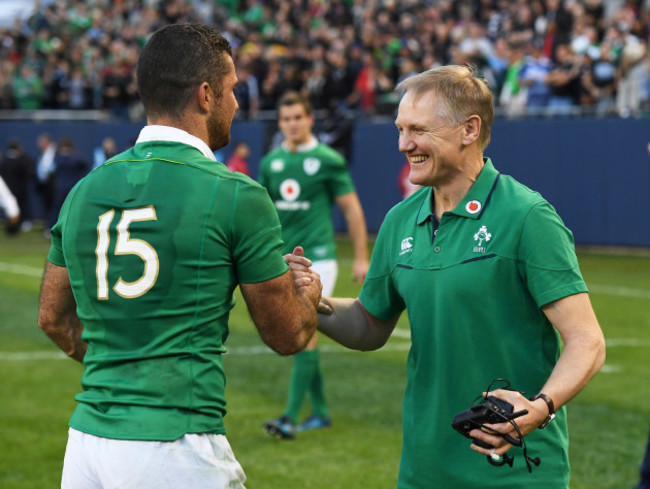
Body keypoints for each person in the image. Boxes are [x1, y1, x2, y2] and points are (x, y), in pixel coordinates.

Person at [37, 23, 322, 489]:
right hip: (176, 445)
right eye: (231, 90)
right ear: (205, 95)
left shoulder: (83, 191)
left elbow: (51, 317)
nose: (236, 103)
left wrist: (124, 375)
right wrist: (309, 292)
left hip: (87, 443)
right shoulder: (236, 194)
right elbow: (288, 334)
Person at [309, 65, 606, 488]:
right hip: (422, 472)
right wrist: (312, 302)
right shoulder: (398, 221)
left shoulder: (527, 217)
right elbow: (369, 324)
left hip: (516, 475)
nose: (403, 144)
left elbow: (587, 341)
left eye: (418, 130)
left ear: (469, 129)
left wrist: (540, 408)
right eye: (400, 129)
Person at [259, 91, 369, 439]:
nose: (292, 124)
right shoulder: (270, 163)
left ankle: (290, 418)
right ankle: (319, 412)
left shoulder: (327, 160)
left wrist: (362, 256)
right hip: (283, 261)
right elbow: (261, 214)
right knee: (307, 334)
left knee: (301, 333)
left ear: (309, 120)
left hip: (319, 259)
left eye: (297, 118)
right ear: (280, 123)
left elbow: (351, 208)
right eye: (286, 119)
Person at [0, 139, 35, 235]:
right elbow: (29, 173)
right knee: (16, 207)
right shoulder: (22, 160)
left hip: (8, 188)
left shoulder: (5, 161)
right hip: (19, 189)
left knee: (10, 209)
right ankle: (15, 227)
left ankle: (11, 229)